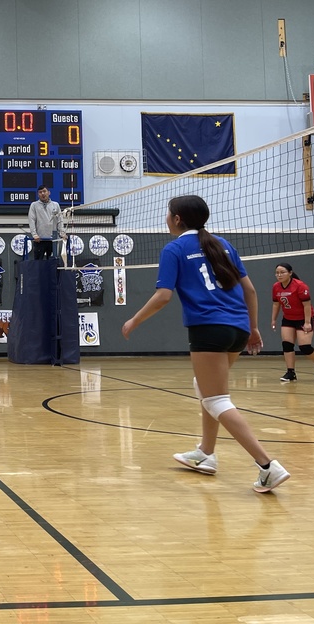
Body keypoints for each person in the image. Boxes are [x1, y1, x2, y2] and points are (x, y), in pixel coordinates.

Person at [121, 195, 290, 493]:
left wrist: (134, 320)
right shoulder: (222, 244)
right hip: (238, 327)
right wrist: (253, 328)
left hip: (209, 328)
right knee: (206, 388)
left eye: (168, 213)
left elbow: (163, 296)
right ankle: (206, 453)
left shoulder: (174, 249)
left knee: (216, 399)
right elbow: (250, 291)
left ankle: (267, 466)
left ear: (177, 219)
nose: (166, 218)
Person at [271, 262, 314, 383]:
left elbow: (307, 305)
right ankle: (291, 372)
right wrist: (273, 319)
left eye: (282, 272)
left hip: (303, 318)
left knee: (304, 346)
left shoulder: (300, 286)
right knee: (287, 345)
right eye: (277, 273)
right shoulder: (276, 287)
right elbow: (276, 304)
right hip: (288, 318)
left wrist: (307, 322)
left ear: (290, 273)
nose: (279, 275)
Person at [28, 185, 66, 260]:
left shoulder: (56, 205)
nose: (42, 193)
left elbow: (60, 220)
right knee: (38, 263)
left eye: (44, 191)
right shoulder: (34, 205)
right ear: (38, 194)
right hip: (39, 240)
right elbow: (31, 220)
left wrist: (62, 233)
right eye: (40, 192)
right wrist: (34, 235)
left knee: (53, 262)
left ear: (49, 193)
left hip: (53, 240)